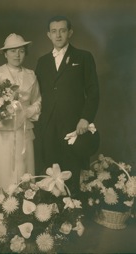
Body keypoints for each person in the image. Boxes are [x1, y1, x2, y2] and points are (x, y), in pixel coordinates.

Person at [35, 16, 99, 198]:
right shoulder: (43, 61)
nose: (58, 35)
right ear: (48, 35)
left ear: (70, 33)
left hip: (73, 126)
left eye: (62, 30)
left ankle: (72, 215)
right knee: (49, 172)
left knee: (71, 170)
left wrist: (85, 118)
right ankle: (49, 215)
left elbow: (93, 92)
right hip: (47, 126)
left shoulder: (83, 57)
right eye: (54, 31)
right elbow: (36, 94)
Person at [0, 33, 41, 204]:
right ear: (5, 53)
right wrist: (3, 109)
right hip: (4, 129)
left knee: (24, 166)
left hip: (24, 128)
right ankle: (1, 204)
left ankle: (24, 205)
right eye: (13, 51)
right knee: (2, 166)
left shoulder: (31, 75)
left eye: (21, 51)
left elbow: (38, 101)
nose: (17, 55)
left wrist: (25, 112)